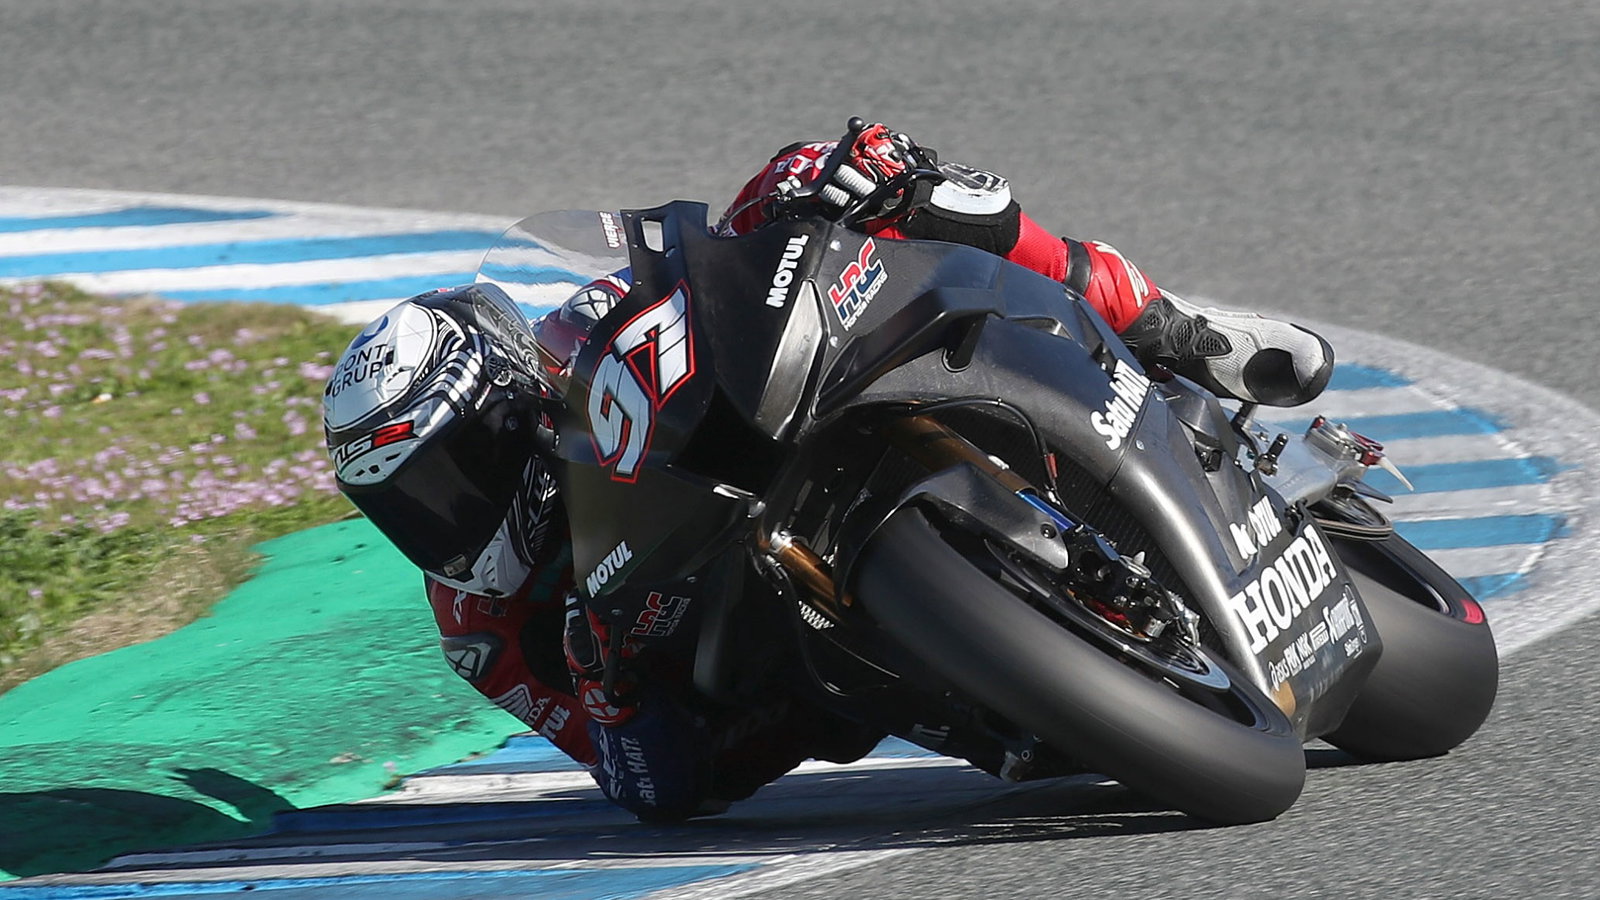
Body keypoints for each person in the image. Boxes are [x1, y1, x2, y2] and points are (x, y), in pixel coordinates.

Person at [321, 121, 1334, 822]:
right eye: (406, 505)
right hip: (795, 679)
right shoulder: (482, 631)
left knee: (865, 179)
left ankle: (1179, 332)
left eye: (453, 475)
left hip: (783, 427)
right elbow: (645, 789)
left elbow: (708, 263)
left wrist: (818, 185)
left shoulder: (578, 337)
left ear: (511, 402)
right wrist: (607, 683)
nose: (442, 518)